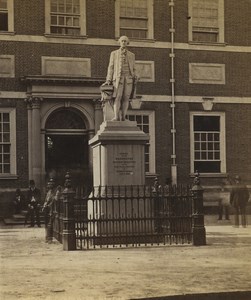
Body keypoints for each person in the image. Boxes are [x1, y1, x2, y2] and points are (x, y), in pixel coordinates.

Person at [102, 35, 138, 121]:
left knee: (126, 98)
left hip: (129, 79)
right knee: (118, 97)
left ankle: (123, 117)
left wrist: (136, 75)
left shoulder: (132, 55)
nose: (124, 42)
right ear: (119, 42)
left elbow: (134, 68)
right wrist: (108, 79)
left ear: (127, 43)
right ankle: (116, 116)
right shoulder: (114, 54)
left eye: (125, 41)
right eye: (122, 41)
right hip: (118, 79)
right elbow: (111, 67)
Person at [42, 179, 61, 243]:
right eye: (49, 183)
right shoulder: (48, 192)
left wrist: (57, 193)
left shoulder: (56, 192)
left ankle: (50, 238)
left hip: (52, 210)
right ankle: (47, 237)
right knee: (46, 224)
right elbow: (46, 200)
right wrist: (44, 205)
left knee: (50, 224)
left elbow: (55, 199)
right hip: (47, 209)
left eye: (50, 183)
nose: (49, 185)